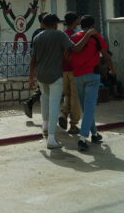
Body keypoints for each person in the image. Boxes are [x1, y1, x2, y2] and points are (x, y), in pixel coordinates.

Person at [29, 14, 95, 149]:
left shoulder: (37, 36)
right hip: (55, 75)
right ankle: (51, 139)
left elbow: (33, 58)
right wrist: (87, 35)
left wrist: (30, 76)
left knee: (44, 100)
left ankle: (45, 129)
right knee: (54, 105)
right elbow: (76, 48)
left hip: (41, 75)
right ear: (54, 24)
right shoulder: (59, 35)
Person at [70, 15, 111, 152]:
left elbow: (70, 53)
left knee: (86, 108)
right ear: (92, 25)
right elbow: (105, 55)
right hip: (92, 75)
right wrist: (112, 68)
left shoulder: (74, 37)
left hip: (77, 75)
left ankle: (94, 134)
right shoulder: (96, 36)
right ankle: (82, 139)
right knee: (89, 108)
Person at [58, 11, 82, 134]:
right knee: (75, 99)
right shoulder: (76, 35)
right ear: (75, 21)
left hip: (63, 70)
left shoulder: (62, 34)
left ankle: (63, 113)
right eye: (78, 19)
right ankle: (73, 125)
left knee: (67, 95)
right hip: (74, 70)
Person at [21, 12, 48, 118]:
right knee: (46, 87)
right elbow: (33, 51)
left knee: (43, 87)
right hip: (44, 64)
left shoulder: (37, 32)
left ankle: (30, 103)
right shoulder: (41, 33)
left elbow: (32, 51)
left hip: (42, 64)